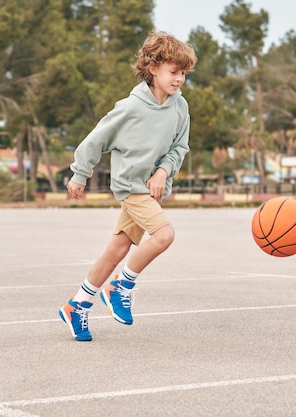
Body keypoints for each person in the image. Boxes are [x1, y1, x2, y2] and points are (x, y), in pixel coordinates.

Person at [59, 31, 197, 341]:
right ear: (153, 68)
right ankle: (122, 285)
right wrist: (80, 174)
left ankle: (77, 305)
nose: (179, 79)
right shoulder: (130, 108)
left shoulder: (180, 107)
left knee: (117, 249)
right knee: (164, 235)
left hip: (149, 187)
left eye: (184, 73)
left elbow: (180, 147)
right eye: (174, 72)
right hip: (130, 187)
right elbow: (96, 140)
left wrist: (163, 171)